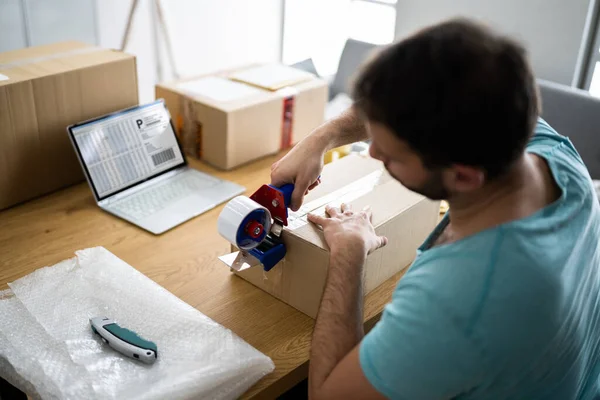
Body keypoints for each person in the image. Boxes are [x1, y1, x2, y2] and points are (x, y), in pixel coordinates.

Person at [270, 18, 600, 400]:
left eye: (391, 154)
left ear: (462, 177)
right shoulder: (552, 152)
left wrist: (349, 252)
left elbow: (327, 396)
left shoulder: (462, 299)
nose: (373, 152)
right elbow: (411, 99)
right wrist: (321, 139)